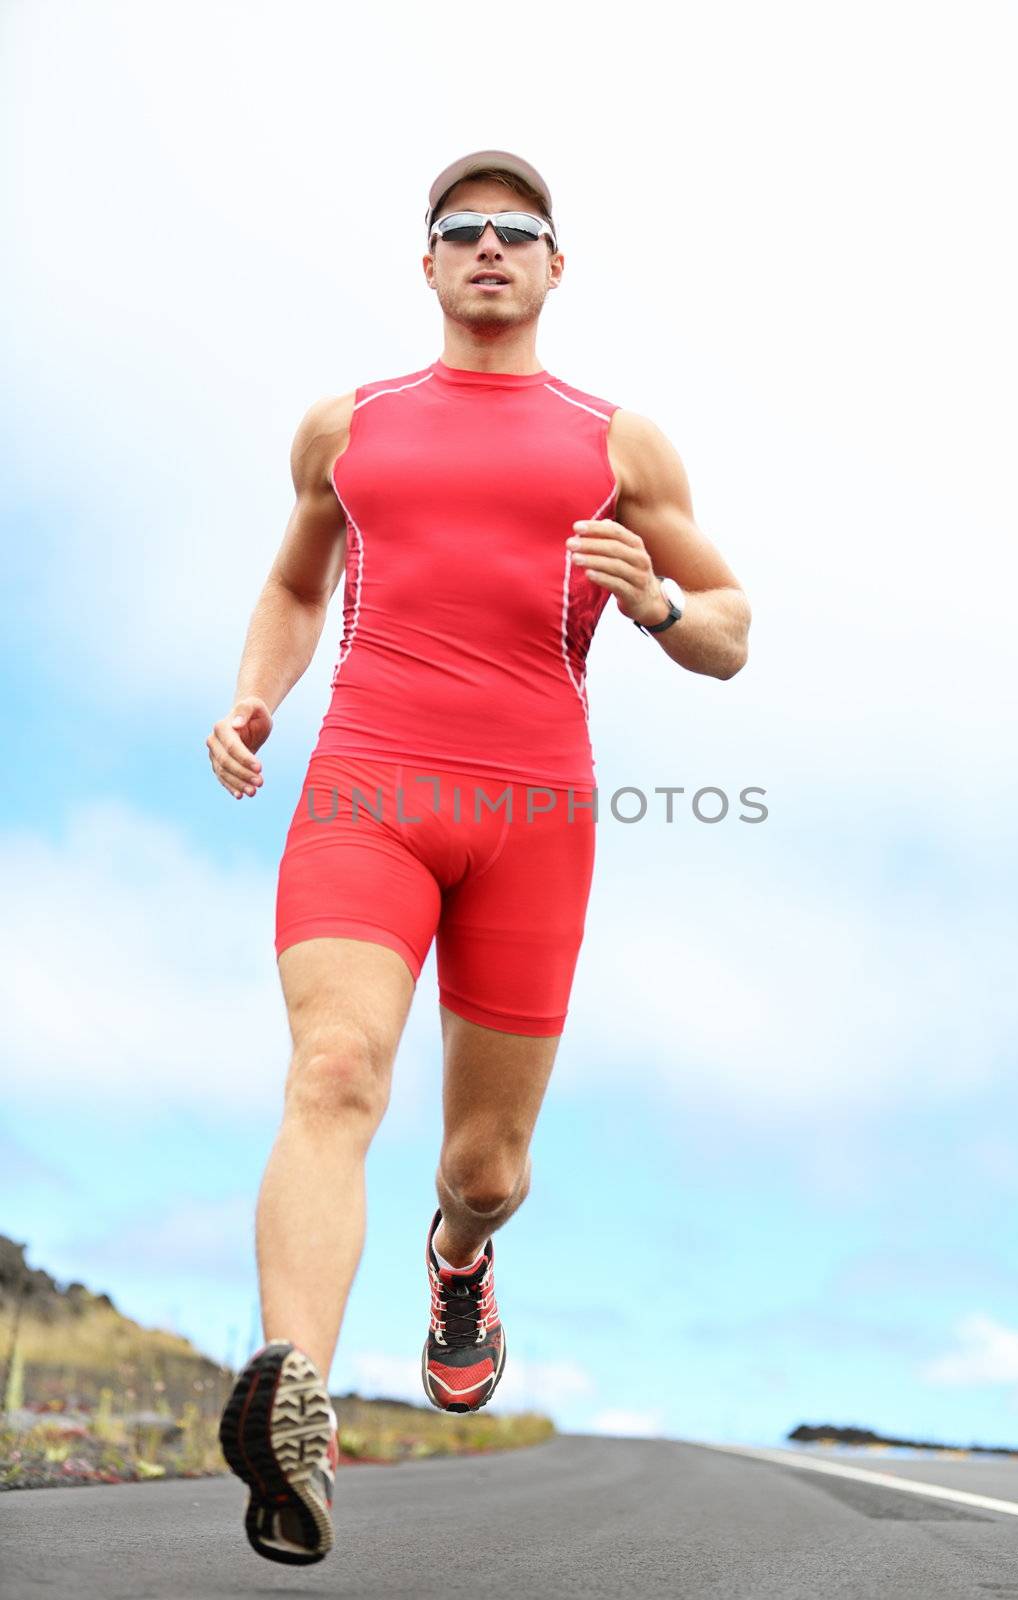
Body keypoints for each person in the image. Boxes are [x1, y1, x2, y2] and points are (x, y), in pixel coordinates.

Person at [208, 149, 751, 1564]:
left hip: (532, 816)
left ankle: (458, 1267)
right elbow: (291, 579)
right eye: (465, 230)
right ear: (430, 261)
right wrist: (258, 691)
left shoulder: (617, 443)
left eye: (520, 231)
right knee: (334, 1070)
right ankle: (298, 1416)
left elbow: (733, 631)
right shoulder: (351, 425)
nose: (491, 247)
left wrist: (657, 605)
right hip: (364, 791)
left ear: (556, 268)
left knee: (488, 1166)